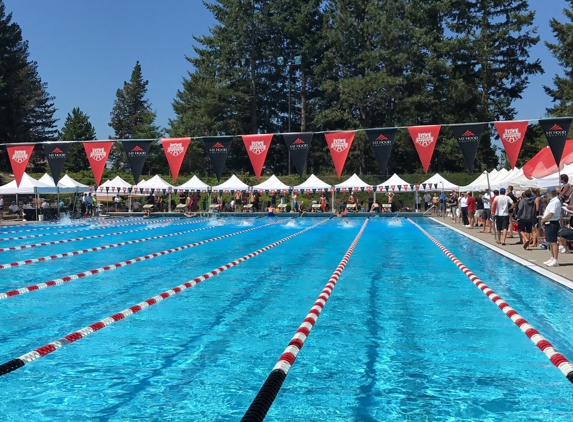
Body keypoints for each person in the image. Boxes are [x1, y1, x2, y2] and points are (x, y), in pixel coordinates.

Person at [540, 186, 562, 267]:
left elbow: (551, 214)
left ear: (550, 193)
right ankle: (552, 257)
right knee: (550, 242)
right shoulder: (552, 201)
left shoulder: (555, 201)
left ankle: (555, 259)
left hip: (552, 222)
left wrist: (543, 220)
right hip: (549, 222)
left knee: (553, 242)